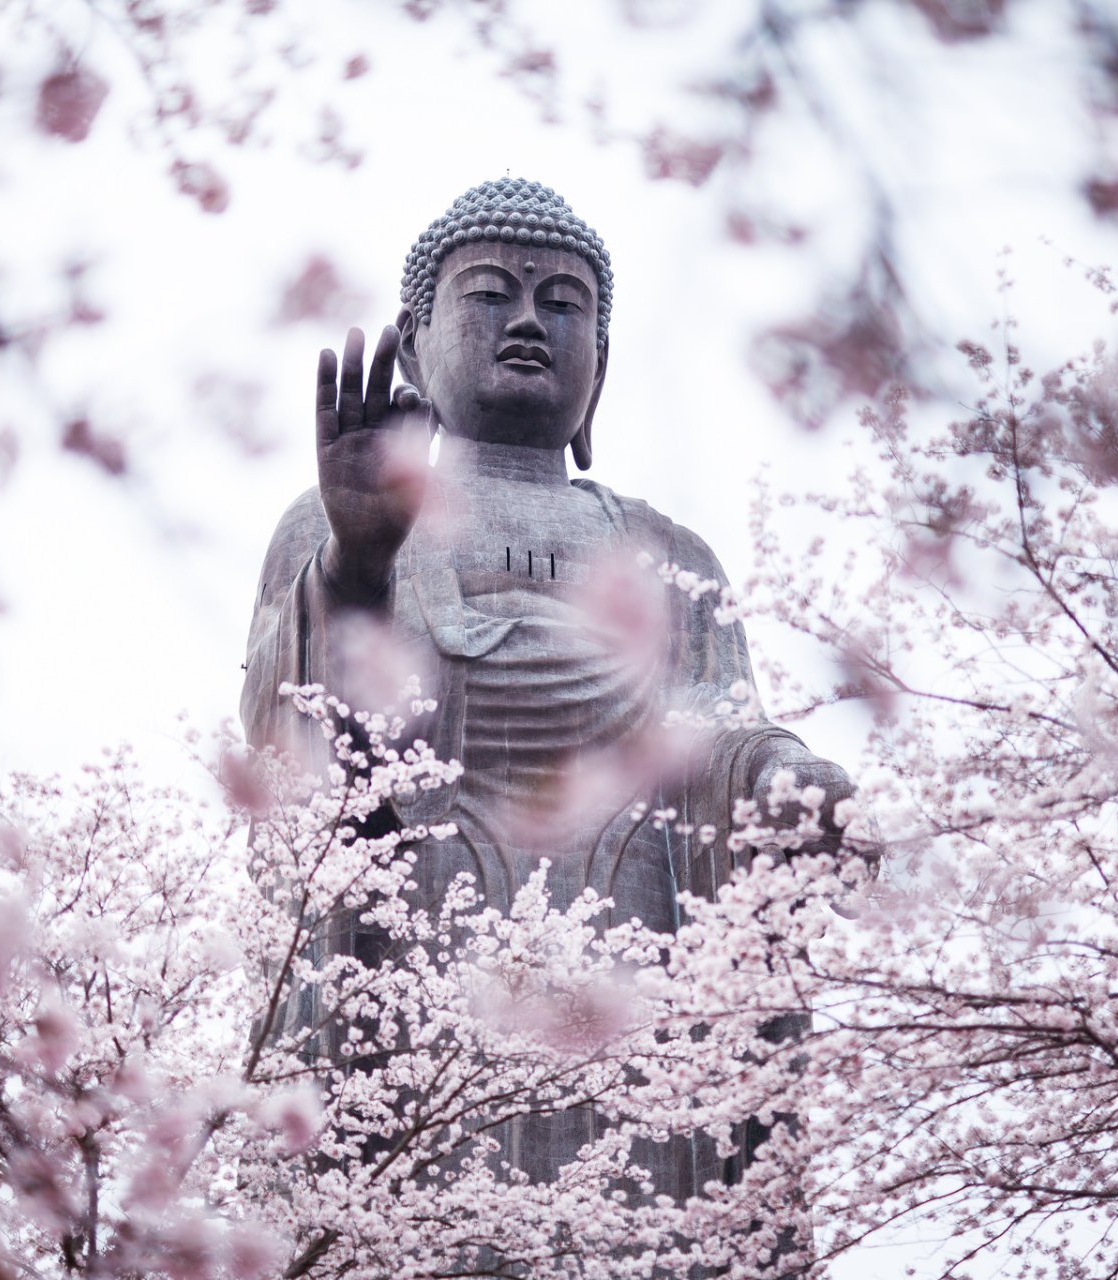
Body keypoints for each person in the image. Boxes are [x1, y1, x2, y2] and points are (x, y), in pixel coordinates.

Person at [240, 177, 852, 1201]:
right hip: (421, 930)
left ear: (599, 368)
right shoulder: (333, 519)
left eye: (563, 304)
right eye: (491, 294)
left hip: (636, 937)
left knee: (644, 1214)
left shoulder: (665, 552)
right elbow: (288, 744)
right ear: (416, 341)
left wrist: (783, 780)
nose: (529, 320)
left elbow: (721, 732)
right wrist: (353, 573)